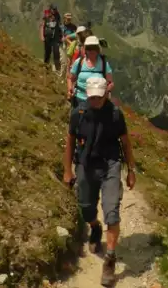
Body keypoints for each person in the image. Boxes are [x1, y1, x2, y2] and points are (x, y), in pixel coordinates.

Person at [63, 76, 137, 287]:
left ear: (106, 93)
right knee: (86, 207)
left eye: (99, 96)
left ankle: (110, 260)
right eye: (92, 96)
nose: (95, 100)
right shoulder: (78, 114)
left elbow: (126, 143)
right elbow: (69, 143)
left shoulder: (115, 115)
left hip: (110, 165)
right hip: (86, 165)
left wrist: (131, 170)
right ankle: (94, 227)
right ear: (88, 94)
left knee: (112, 210)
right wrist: (68, 170)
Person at [68, 35, 113, 109]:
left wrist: (106, 93)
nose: (91, 51)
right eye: (89, 48)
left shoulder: (104, 63)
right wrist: (70, 89)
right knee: (79, 119)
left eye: (94, 48)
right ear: (85, 49)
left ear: (98, 49)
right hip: (80, 98)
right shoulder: (79, 62)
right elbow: (70, 78)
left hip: (98, 101)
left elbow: (110, 82)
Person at [40, 3, 63, 71]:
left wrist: (60, 36)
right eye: (53, 9)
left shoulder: (57, 16)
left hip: (55, 37)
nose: (54, 11)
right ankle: (46, 67)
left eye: (55, 9)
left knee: (56, 53)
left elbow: (59, 26)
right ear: (50, 9)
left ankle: (58, 69)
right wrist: (42, 36)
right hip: (47, 37)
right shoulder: (46, 15)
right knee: (47, 52)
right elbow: (42, 26)